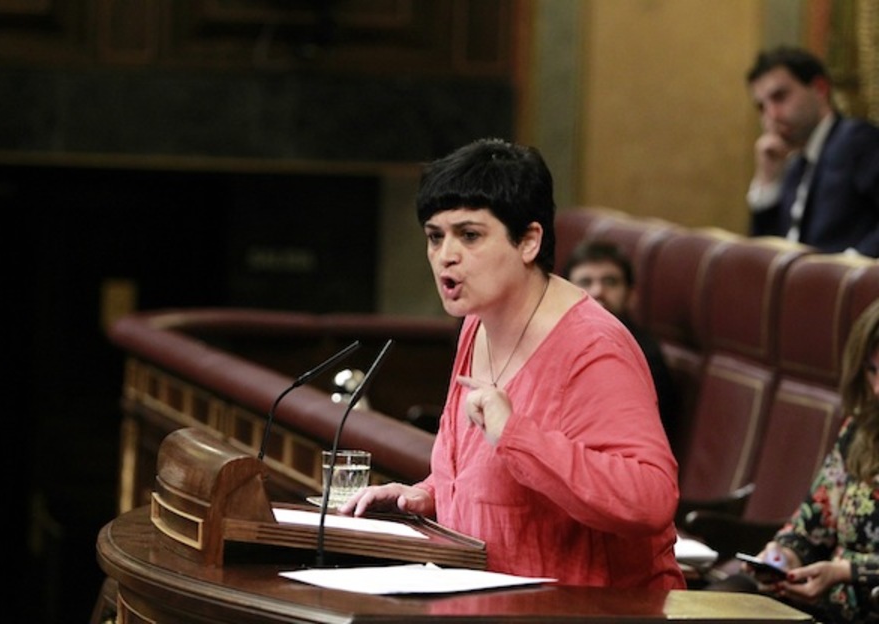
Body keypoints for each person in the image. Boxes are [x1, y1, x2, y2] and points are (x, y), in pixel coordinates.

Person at [340, 138, 685, 589]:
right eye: (434, 236)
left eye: (469, 235)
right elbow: (495, 480)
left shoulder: (593, 348)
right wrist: (430, 494)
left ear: (528, 241)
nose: (446, 255)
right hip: (491, 600)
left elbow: (650, 498)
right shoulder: (478, 322)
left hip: (594, 611)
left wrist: (517, 436)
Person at [738, 298, 879, 623]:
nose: (877, 387)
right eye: (872, 370)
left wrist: (846, 571)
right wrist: (782, 556)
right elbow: (812, 522)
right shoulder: (861, 430)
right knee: (730, 594)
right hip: (826, 607)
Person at [745, 46, 879, 257]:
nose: (771, 115)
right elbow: (763, 256)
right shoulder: (795, 164)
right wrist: (767, 180)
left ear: (819, 89)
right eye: (761, 107)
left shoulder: (856, 140)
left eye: (780, 97)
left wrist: (849, 266)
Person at [561, 240, 679, 454]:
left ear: (631, 295)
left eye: (610, 282)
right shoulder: (554, 341)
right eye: (585, 282)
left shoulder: (643, 355)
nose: (598, 291)